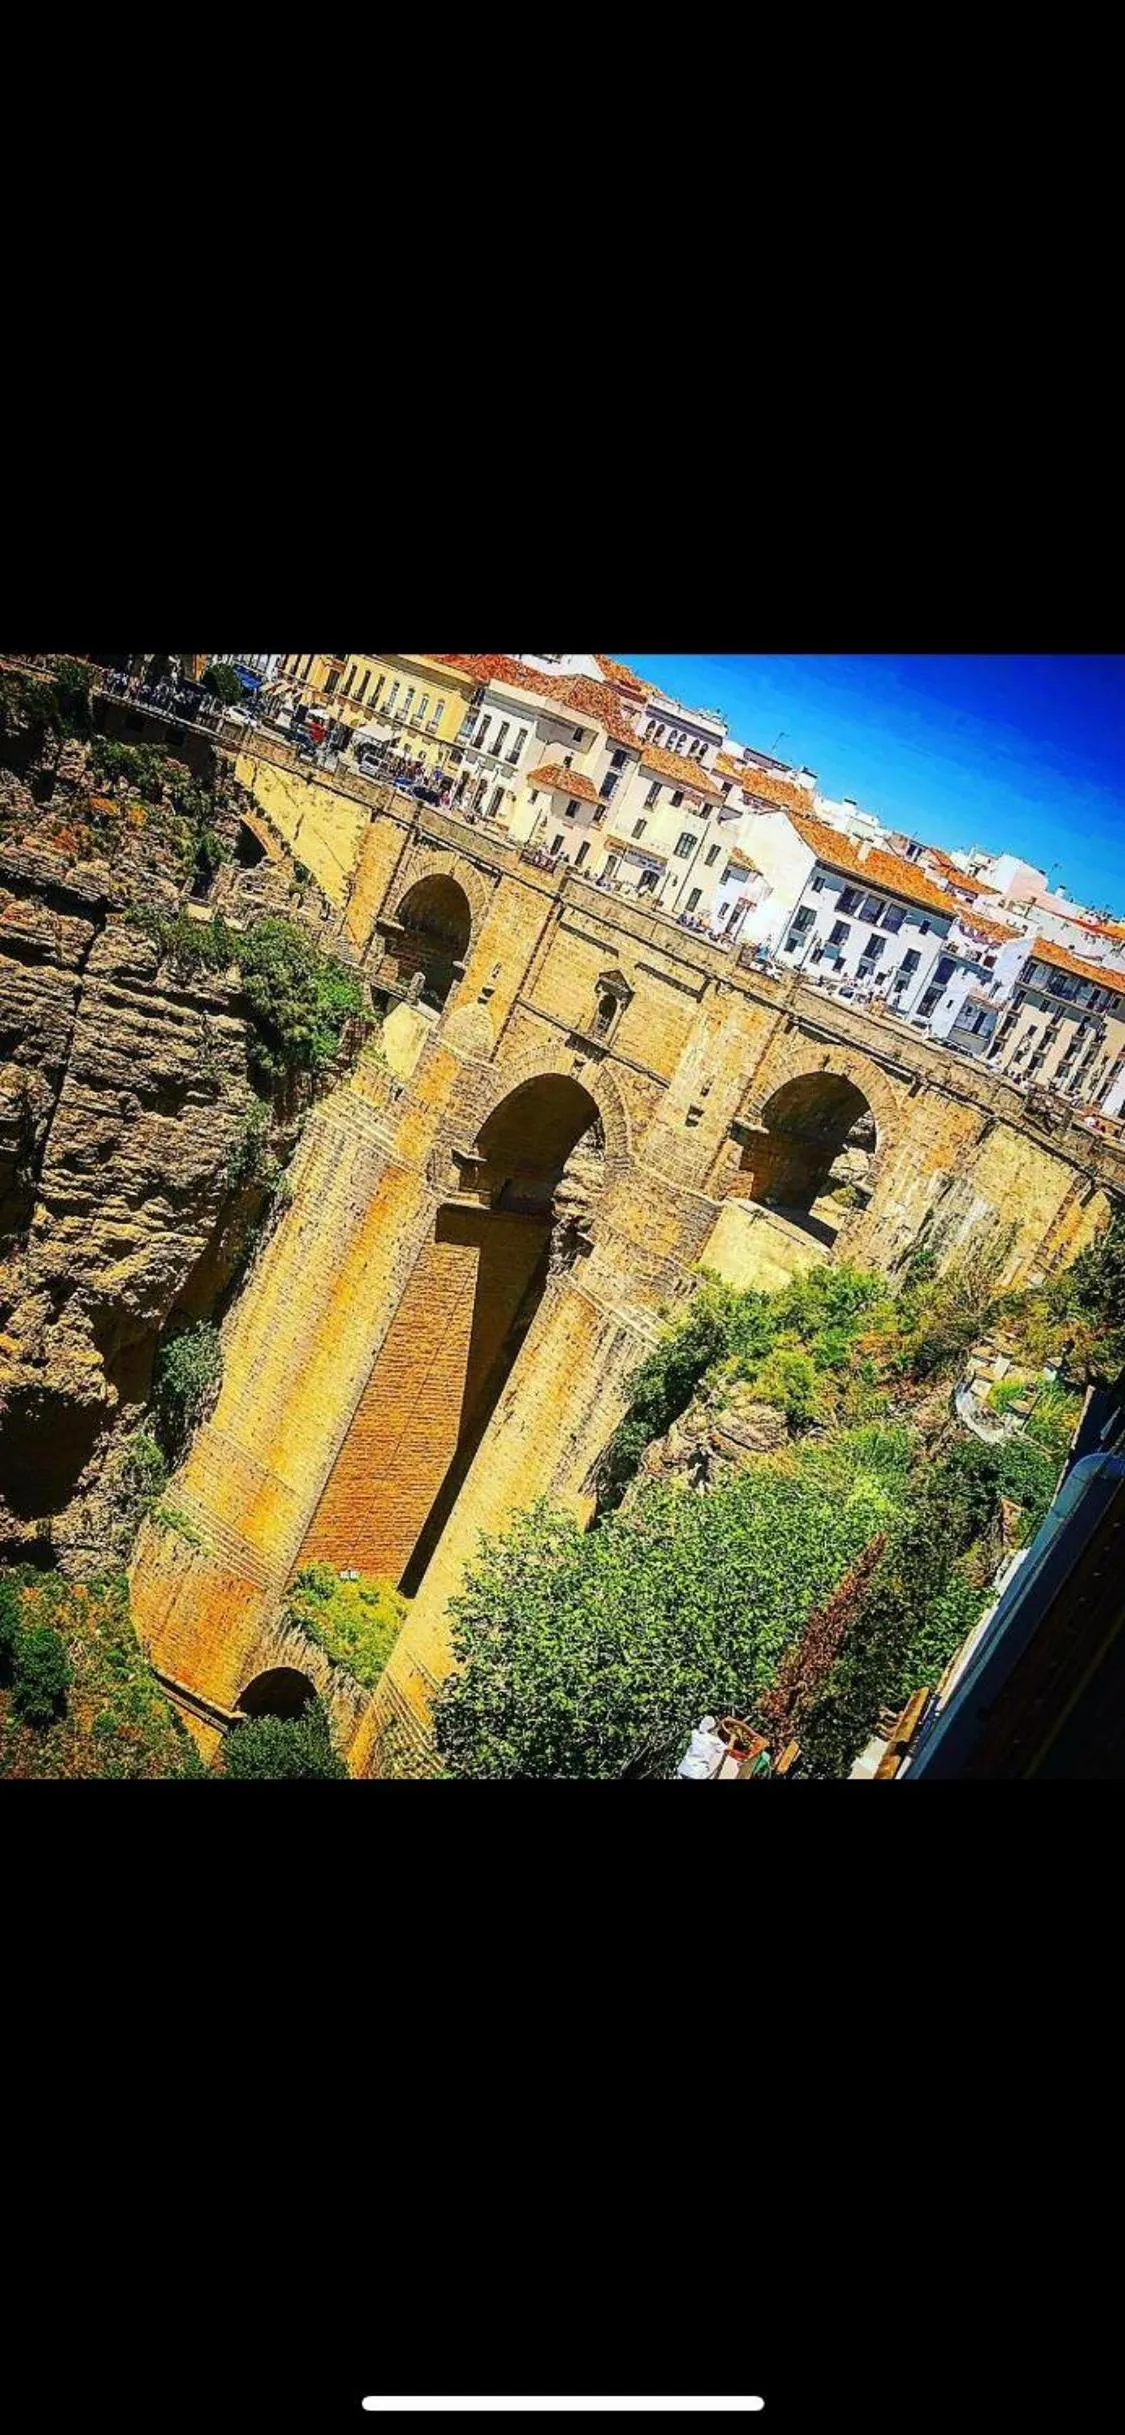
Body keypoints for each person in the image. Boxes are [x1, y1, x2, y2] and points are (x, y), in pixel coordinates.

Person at [676, 1714, 726, 1781]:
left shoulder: (695, 1734)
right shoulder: (714, 1741)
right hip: (697, 1773)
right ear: (713, 1727)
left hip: (684, 1768)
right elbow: (728, 1749)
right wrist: (733, 1739)